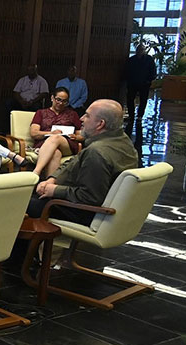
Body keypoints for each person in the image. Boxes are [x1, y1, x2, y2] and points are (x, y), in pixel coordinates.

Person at [7, 99, 138, 270]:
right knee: (25, 191)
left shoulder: (97, 153)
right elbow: (73, 162)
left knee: (19, 202)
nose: (82, 119)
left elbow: (89, 197)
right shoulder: (123, 142)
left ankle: (18, 264)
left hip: (89, 212)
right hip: (110, 210)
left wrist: (55, 190)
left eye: (87, 116)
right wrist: (52, 178)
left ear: (100, 124)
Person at [30, 87, 82, 178]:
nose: (61, 103)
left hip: (67, 144)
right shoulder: (40, 113)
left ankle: (36, 172)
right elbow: (34, 133)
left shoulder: (72, 114)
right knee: (55, 153)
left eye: (64, 101)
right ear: (52, 98)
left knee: (56, 138)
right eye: (58, 99)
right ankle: (49, 183)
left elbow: (82, 135)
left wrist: (76, 137)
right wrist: (51, 133)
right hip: (44, 144)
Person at [122, 44, 156, 133]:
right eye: (139, 50)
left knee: (143, 100)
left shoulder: (149, 60)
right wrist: (128, 80)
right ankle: (131, 115)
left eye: (142, 50)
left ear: (144, 51)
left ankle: (140, 116)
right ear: (136, 50)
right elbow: (126, 71)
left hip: (144, 84)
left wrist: (149, 81)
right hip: (132, 83)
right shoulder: (131, 60)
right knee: (130, 99)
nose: (140, 51)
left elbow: (153, 71)